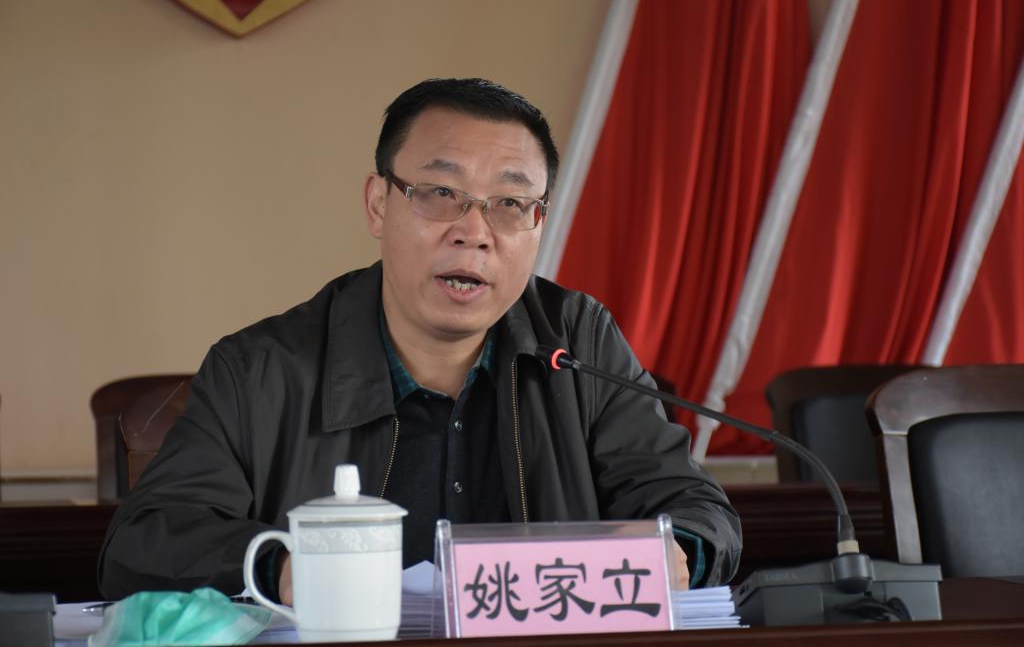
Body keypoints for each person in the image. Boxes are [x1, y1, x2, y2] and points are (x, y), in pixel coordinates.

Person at [98, 78, 742, 603]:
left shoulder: (578, 341)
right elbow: (144, 542)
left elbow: (693, 506)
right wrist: (282, 567)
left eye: (510, 204)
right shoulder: (259, 370)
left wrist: (679, 549)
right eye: (440, 193)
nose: (474, 232)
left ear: (540, 221)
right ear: (378, 204)